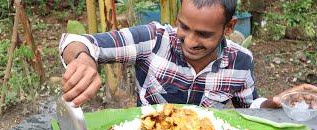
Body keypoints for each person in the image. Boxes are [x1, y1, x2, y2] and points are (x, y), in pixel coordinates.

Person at [59, 0, 317, 108]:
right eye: (184, 27)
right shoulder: (154, 39)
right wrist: (84, 59)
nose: (190, 41)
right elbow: (76, 41)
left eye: (204, 34)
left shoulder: (241, 61)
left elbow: (248, 111)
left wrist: (276, 102)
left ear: (229, 27)